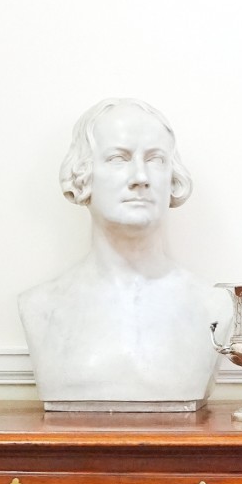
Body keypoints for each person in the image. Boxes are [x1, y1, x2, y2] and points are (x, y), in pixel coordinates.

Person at [19, 98, 227, 410]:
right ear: (83, 174)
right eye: (119, 159)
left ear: (172, 177)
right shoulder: (40, 307)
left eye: (156, 159)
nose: (140, 177)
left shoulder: (215, 304)